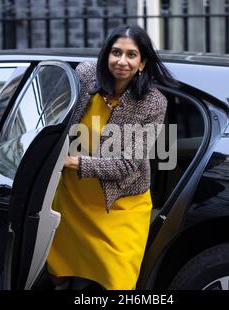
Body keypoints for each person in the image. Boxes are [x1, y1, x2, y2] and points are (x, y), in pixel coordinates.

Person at [45, 24, 178, 290]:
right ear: (106, 55)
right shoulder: (84, 77)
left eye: (131, 55)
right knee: (59, 269)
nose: (122, 61)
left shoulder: (152, 102)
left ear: (142, 63)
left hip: (122, 204)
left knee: (118, 281)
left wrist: (72, 162)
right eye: (116, 52)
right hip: (73, 200)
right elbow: (50, 118)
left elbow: (129, 164)